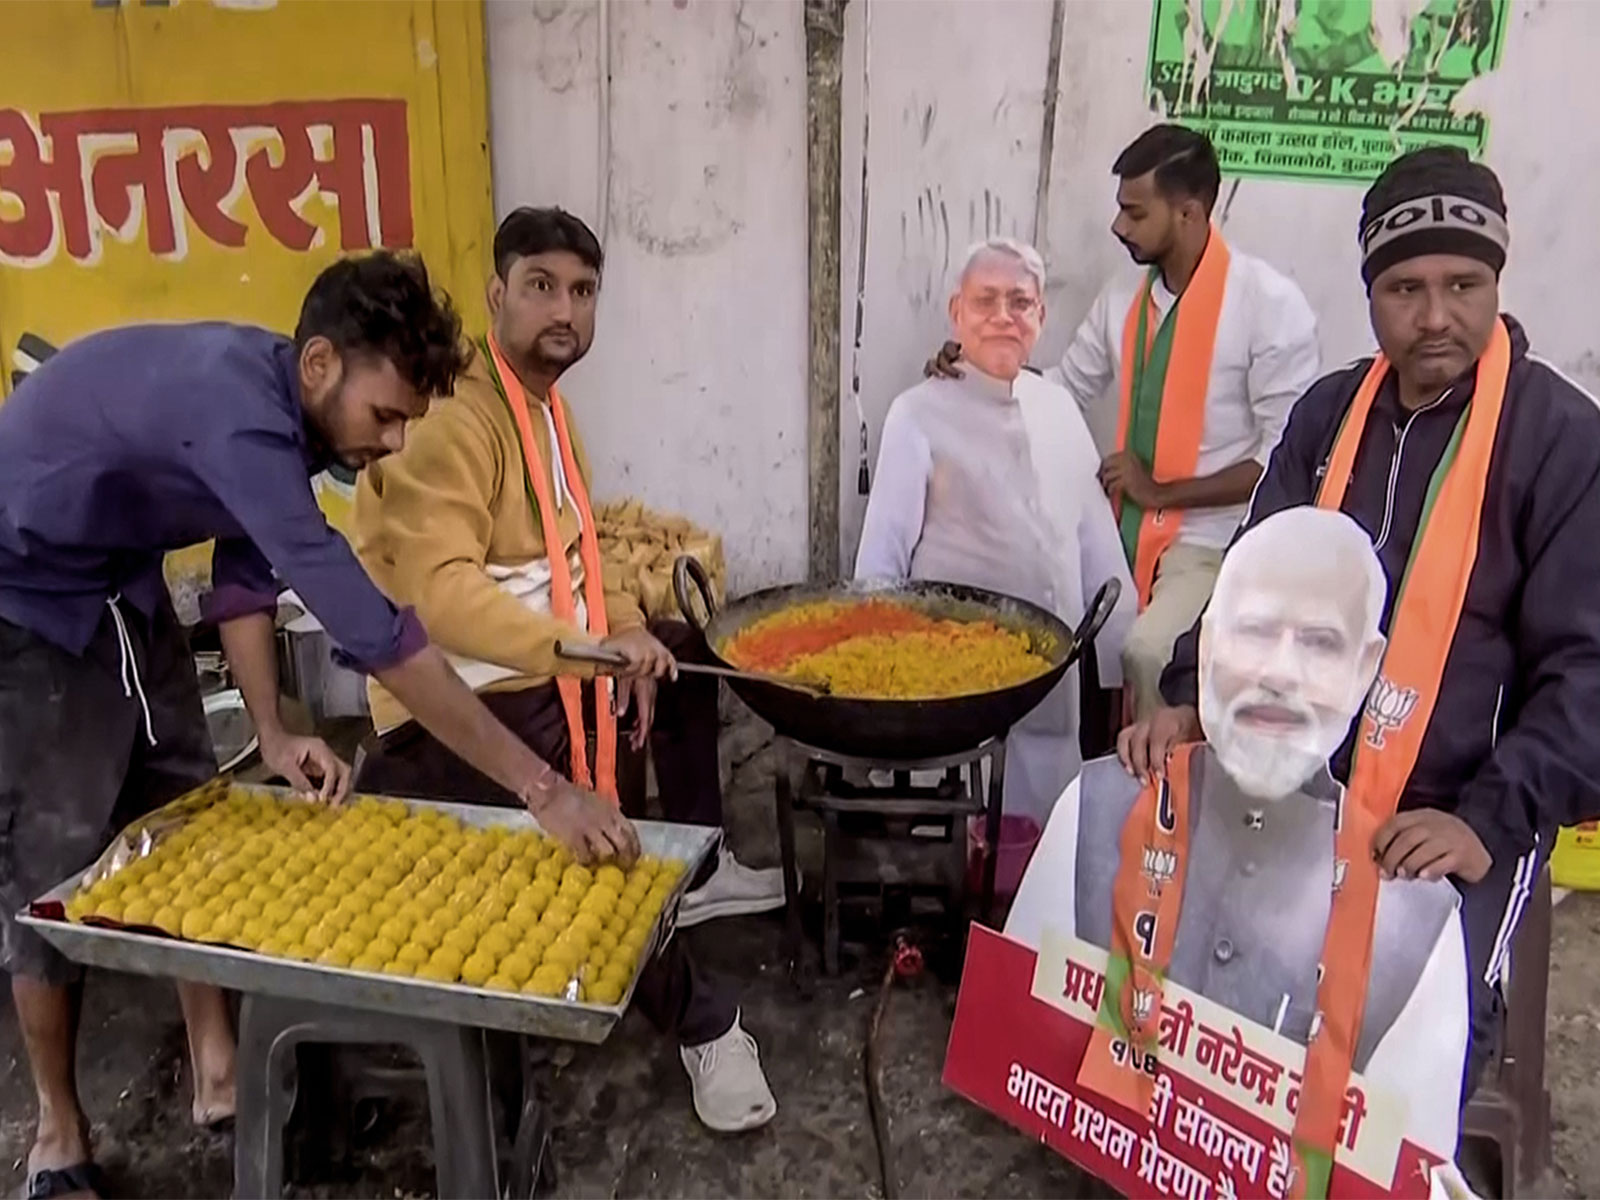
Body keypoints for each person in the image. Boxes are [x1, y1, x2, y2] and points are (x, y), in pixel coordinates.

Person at [0, 252, 638, 1199]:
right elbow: (377, 632)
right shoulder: (239, 413)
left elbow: (244, 574)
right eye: (385, 418)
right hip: (28, 596)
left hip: (119, 576)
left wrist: (275, 725)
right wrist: (541, 788)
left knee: (186, 816)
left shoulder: (287, 412)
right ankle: (56, 1132)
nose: (390, 445)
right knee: (51, 864)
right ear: (321, 365)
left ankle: (221, 1069)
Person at [1125, 146, 1600, 1105]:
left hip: (1458, 807)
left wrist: (1487, 822)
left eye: (1463, 284)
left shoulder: (1560, 438)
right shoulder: (1330, 413)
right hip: (1299, 779)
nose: (1434, 317)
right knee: (1213, 993)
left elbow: (1587, 672)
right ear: (1369, 296)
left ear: (1497, 282)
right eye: (1404, 288)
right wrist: (1190, 694)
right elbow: (1251, 582)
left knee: (1405, 1058)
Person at [349, 207, 778, 1132]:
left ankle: (676, 893)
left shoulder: (545, 409)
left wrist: (627, 635)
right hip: (456, 709)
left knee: (675, 664)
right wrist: (584, 651)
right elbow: (442, 594)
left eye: (583, 292)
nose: (565, 311)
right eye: (541, 286)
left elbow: (578, 553)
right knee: (604, 853)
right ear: (497, 293)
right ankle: (705, 1023)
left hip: (544, 684)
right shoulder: (454, 418)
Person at [1008, 507, 1471, 1185]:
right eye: (1255, 632)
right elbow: (1020, 1049)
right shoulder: (1097, 809)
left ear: (1365, 666)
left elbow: (1407, 1172)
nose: (1280, 672)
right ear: (1211, 643)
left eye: (1319, 642)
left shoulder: (1417, 922)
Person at [928, 125, 1320, 718]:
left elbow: (1283, 458)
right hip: (1121, 529)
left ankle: (1155, 794)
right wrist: (978, 369)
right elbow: (1065, 386)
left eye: (1135, 213)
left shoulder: (1269, 306)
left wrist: (1161, 491)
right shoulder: (1123, 297)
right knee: (1024, 623)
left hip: (1210, 542)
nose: (1118, 227)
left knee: (1147, 652)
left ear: (1188, 213)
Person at [857, 238, 1135, 823]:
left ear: (1042, 315)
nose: (1004, 316)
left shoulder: (1057, 408)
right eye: (986, 301)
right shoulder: (918, 411)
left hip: (1048, 676)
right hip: (955, 681)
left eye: (1020, 301)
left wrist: (1119, 664)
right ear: (957, 312)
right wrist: (880, 690)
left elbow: (1095, 545)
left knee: (1041, 828)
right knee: (961, 823)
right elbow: (882, 558)